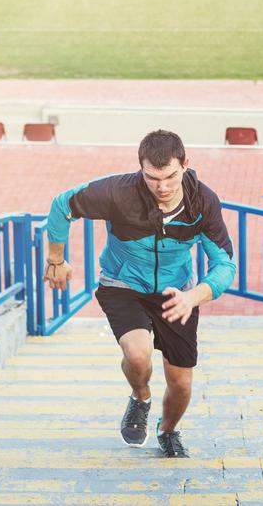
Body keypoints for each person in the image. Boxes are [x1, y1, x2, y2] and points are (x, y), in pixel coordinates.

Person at [43, 129, 235, 458]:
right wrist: (56, 259)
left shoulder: (203, 201)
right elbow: (63, 206)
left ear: (186, 164)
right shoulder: (118, 193)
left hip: (178, 293)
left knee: (181, 383)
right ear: (140, 168)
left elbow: (225, 265)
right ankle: (141, 398)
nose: (162, 187)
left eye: (171, 176)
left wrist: (193, 296)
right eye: (152, 177)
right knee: (138, 354)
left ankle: (168, 430)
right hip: (123, 283)